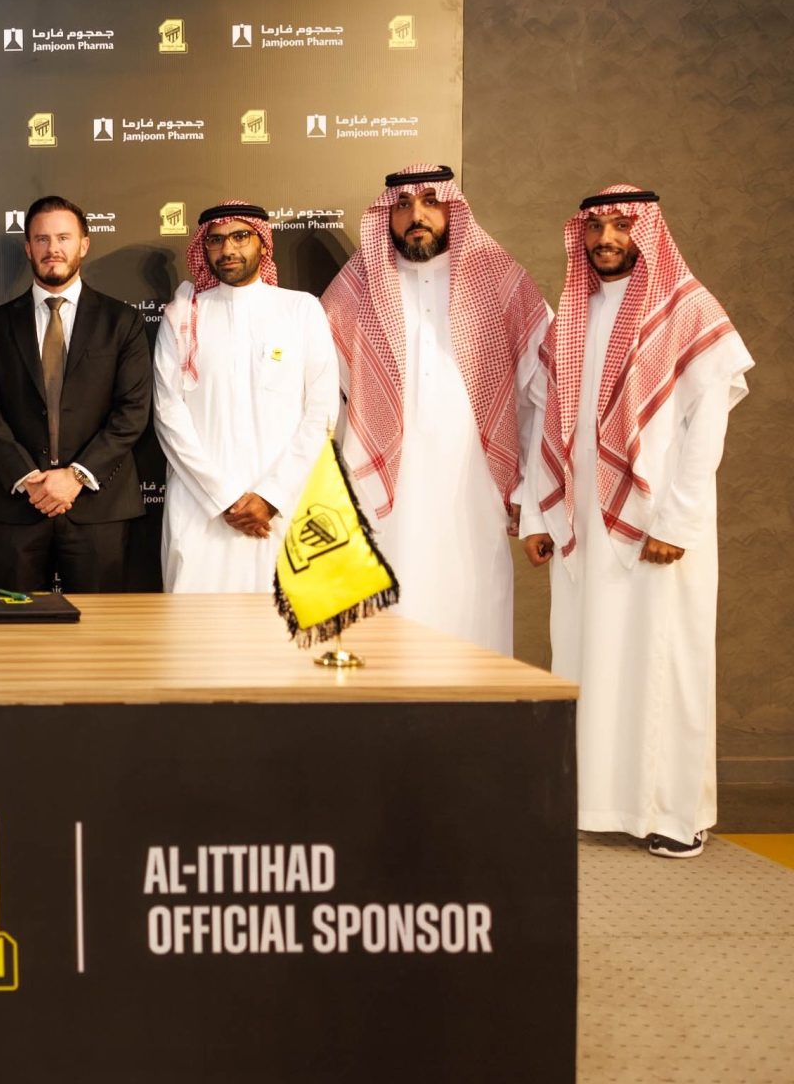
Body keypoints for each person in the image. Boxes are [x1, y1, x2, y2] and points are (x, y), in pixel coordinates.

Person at [521, 186, 754, 859]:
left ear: (646, 232)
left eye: (621, 225)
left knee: (663, 662)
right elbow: (546, 423)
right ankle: (596, 802)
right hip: (583, 528)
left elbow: (706, 426)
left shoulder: (688, 309)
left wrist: (676, 523)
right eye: (595, 226)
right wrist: (538, 511)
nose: (606, 238)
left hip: (657, 526)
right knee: (586, 657)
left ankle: (676, 814)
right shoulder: (573, 313)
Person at [321, 164, 551, 652]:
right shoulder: (356, 288)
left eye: (430, 202)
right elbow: (318, 392)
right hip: (384, 484)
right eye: (403, 205)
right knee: (391, 615)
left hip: (475, 481)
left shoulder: (498, 280)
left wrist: (529, 491)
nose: (416, 215)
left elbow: (542, 391)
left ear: (452, 208)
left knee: (474, 612)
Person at [0, 195, 152, 592]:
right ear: (28, 248)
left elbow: (133, 410)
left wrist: (76, 476)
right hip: (17, 506)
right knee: (15, 624)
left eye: (64, 238)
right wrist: (29, 479)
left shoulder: (122, 321)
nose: (53, 249)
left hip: (99, 508)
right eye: (42, 239)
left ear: (84, 244)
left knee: (100, 626)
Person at [152, 201, 339, 591]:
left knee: (281, 621)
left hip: (285, 505)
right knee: (196, 622)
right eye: (216, 240)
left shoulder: (301, 309)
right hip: (201, 508)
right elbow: (168, 413)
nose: (228, 249)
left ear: (262, 243)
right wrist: (223, 497)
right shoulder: (183, 316)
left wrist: (271, 496)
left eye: (240, 237)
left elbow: (321, 412)